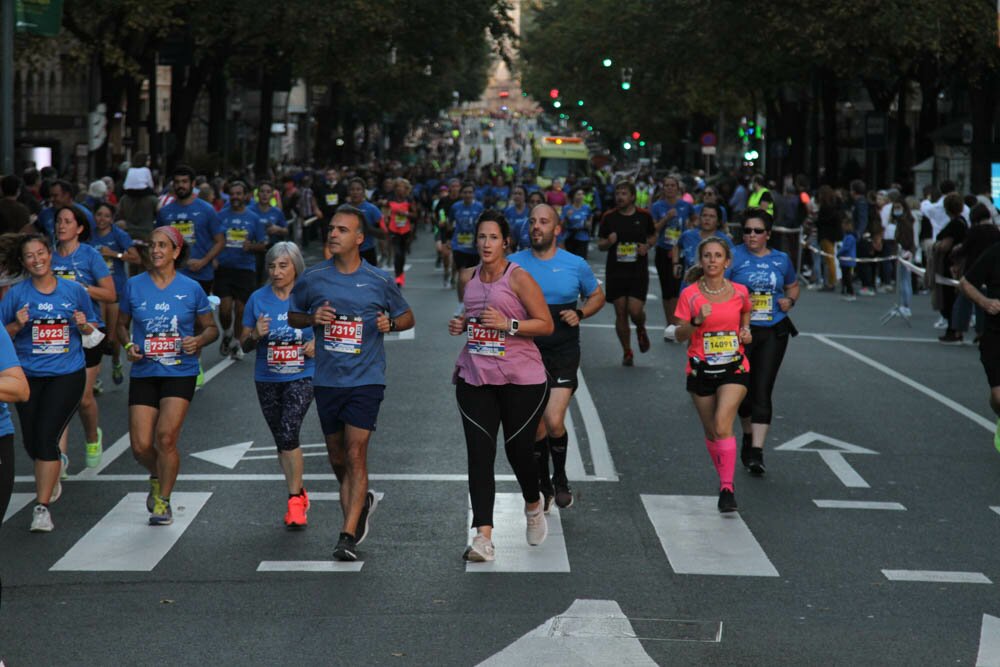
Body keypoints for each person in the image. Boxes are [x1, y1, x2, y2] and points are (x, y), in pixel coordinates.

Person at [288, 204, 414, 562]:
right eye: (331, 228)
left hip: (366, 379)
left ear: (359, 238)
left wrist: (391, 324)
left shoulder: (378, 280)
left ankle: (347, 534)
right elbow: (293, 315)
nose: (333, 234)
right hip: (328, 379)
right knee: (337, 457)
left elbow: (406, 316)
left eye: (342, 230)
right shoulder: (313, 278)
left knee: (356, 453)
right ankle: (363, 500)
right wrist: (312, 317)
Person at [448, 210, 554, 562]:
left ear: (506, 242)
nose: (486, 243)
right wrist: (462, 323)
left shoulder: (519, 277)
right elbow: (474, 315)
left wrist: (509, 325)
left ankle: (533, 502)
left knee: (517, 449)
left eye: (493, 237)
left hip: (521, 377)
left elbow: (545, 324)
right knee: (480, 453)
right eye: (481, 237)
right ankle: (483, 537)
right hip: (476, 374)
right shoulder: (467, 277)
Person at [117, 226, 218, 525]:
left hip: (180, 371)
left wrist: (198, 341)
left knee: (166, 438)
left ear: (176, 252)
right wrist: (128, 345)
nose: (156, 250)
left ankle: (163, 500)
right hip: (145, 371)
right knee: (140, 446)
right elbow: (121, 324)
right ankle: (157, 475)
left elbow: (211, 329)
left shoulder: (191, 288)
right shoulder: (134, 286)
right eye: (152, 245)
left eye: (163, 245)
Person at [0, 233, 99, 531]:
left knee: (45, 437)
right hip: (28, 377)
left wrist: (83, 326)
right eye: (30, 256)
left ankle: (41, 507)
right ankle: (53, 461)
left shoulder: (74, 291)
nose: (37, 259)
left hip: (66, 374)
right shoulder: (16, 295)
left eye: (41, 253)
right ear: (23, 262)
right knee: (32, 441)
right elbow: (3, 334)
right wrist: (17, 325)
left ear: (50, 255)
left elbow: (94, 332)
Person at [510, 204, 604, 510]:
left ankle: (560, 477)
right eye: (532, 221)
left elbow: (597, 295)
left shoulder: (574, 264)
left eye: (543, 221)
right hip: (527, 350)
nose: (536, 226)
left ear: (557, 229)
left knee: (553, 420)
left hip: (563, 349)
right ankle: (543, 484)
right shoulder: (513, 264)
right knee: (536, 427)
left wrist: (580, 312)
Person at [239, 242, 315, 528]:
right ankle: (299, 492)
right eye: (272, 266)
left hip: (303, 375)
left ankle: (295, 501)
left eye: (283, 265)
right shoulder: (257, 298)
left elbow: (328, 327)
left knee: (288, 430)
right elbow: (244, 343)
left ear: (296, 266)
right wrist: (255, 335)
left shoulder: (309, 297)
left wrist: (316, 342)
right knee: (282, 441)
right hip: (268, 377)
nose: (276, 271)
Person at [674, 237, 752, 512]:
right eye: (707, 256)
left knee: (722, 424)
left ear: (727, 262)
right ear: (701, 260)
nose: (712, 260)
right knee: (711, 430)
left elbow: (746, 317)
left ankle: (727, 489)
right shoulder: (690, 294)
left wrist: (746, 332)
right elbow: (679, 334)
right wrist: (696, 321)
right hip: (700, 368)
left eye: (718, 256)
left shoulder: (741, 292)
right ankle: (723, 476)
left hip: (735, 366)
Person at [726, 209, 799, 475]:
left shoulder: (781, 260)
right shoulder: (733, 257)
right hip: (740, 331)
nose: (751, 236)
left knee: (762, 388)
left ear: (768, 234)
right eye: (747, 230)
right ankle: (747, 434)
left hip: (772, 330)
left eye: (757, 231)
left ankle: (757, 451)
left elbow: (792, 285)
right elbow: (720, 287)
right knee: (741, 391)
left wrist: (789, 301)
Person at [51, 205, 116, 471]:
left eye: (68, 221)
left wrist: (82, 288)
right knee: (60, 398)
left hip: (87, 333)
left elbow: (110, 294)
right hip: (57, 334)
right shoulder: (48, 257)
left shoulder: (90, 256)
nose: (61, 225)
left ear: (79, 228)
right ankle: (58, 460)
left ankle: (92, 436)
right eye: (58, 221)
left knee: (84, 398)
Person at [597, 181, 656, 366]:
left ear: (632, 197)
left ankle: (640, 327)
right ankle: (627, 351)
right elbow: (600, 244)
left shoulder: (644, 216)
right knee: (621, 312)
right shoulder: (609, 217)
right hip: (616, 271)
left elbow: (653, 235)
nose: (619, 197)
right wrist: (609, 241)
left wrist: (647, 246)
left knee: (635, 310)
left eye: (624, 194)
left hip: (637, 270)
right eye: (617, 194)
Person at [215, 181, 267, 360]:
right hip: (224, 267)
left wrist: (251, 246)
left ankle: (237, 342)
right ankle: (227, 332)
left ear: (246, 196)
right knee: (224, 308)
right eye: (233, 194)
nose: (235, 197)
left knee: (241, 309)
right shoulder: (220, 216)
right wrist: (213, 258)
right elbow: (213, 239)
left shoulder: (254, 218)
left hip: (245, 269)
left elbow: (263, 244)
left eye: (239, 194)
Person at [156, 165, 225, 295]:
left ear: (193, 184)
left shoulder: (207, 210)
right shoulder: (165, 212)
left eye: (184, 182)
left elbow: (220, 241)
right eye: (177, 182)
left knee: (200, 315)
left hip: (201, 275)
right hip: (173, 275)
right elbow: (158, 242)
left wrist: (203, 261)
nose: (180, 185)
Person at [90, 202, 139, 386]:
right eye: (99, 215)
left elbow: (136, 257)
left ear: (112, 219)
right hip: (95, 290)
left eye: (106, 216)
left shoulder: (119, 235)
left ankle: (116, 362)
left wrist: (114, 254)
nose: (102, 219)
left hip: (116, 289)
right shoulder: (89, 234)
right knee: (96, 333)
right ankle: (95, 376)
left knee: (113, 336)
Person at [960, 241, 1000, 450]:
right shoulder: (994, 252)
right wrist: (985, 302)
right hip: (996, 334)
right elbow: (965, 283)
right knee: (998, 396)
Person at [651, 176, 694, 341]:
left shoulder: (685, 205)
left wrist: (690, 227)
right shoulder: (657, 206)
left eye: (672, 186)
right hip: (663, 250)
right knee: (666, 290)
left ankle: (676, 325)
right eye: (666, 185)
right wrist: (666, 218)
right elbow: (654, 228)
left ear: (678, 188)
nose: (669, 188)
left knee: (676, 289)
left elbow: (694, 220)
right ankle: (669, 324)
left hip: (680, 252)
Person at [935, 193, 969, 344]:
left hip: (950, 264)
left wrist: (935, 246)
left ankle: (953, 330)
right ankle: (955, 329)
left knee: (950, 297)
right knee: (953, 297)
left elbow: (945, 246)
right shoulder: (962, 222)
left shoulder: (955, 224)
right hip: (956, 263)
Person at [676, 203, 733, 280]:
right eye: (704, 215)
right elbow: (676, 246)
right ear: (699, 218)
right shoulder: (687, 235)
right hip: (689, 285)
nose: (707, 219)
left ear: (718, 221)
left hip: (713, 287)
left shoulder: (725, 240)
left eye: (712, 216)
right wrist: (675, 263)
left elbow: (733, 263)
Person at [449, 182, 485, 298]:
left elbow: (483, 225)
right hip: (458, 245)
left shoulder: (479, 207)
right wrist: (448, 238)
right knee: (462, 273)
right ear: (461, 194)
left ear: (474, 194)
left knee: (472, 276)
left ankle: (470, 300)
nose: (468, 195)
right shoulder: (455, 207)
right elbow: (450, 223)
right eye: (465, 192)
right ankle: (460, 303)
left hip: (473, 247)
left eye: (470, 192)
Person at [385, 178, 417, 287]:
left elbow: (415, 215)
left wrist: (405, 214)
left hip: (406, 230)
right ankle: (397, 276)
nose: (399, 189)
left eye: (402, 186)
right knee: (397, 253)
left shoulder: (409, 200)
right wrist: (386, 221)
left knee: (402, 255)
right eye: (397, 186)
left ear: (406, 189)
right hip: (393, 230)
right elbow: (384, 214)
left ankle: (401, 274)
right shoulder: (390, 200)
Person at [560, 188, 593, 259]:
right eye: (578, 194)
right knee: (570, 261)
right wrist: (567, 217)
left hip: (583, 237)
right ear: (573, 196)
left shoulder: (587, 208)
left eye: (582, 194)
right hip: (570, 238)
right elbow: (562, 225)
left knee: (581, 262)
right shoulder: (566, 208)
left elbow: (590, 221)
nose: (581, 196)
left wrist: (588, 225)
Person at [503, 185, 530, 253]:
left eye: (520, 194)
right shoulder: (508, 211)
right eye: (515, 193)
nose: (517, 196)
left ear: (525, 196)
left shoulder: (530, 211)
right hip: (511, 247)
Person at [839, 217, 858, 301]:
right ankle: (846, 291)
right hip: (844, 260)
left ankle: (851, 293)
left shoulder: (850, 237)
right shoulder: (846, 236)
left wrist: (839, 253)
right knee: (845, 276)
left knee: (848, 277)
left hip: (848, 260)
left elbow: (846, 248)